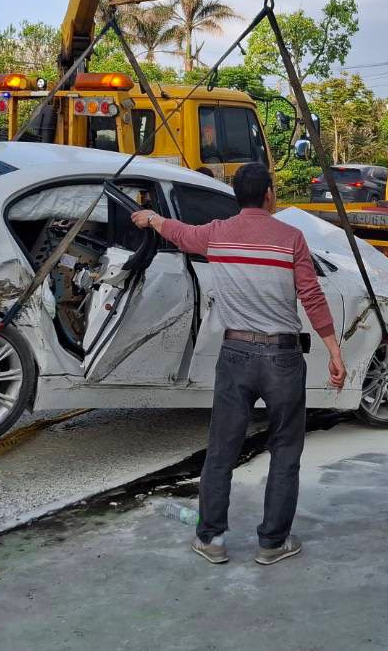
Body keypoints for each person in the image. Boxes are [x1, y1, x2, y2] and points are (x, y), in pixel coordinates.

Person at [131, 162, 345, 567]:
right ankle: (272, 544)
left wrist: (151, 217)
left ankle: (211, 540)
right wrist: (334, 352)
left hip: (235, 357)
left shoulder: (216, 234)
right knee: (285, 450)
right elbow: (312, 297)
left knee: (222, 451)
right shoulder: (291, 238)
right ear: (268, 194)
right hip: (282, 359)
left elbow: (178, 232)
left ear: (236, 196)